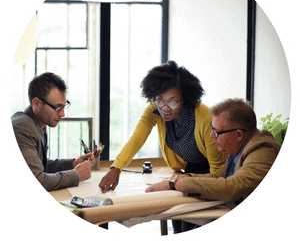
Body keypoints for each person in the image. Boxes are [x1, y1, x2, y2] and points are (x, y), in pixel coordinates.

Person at [99, 61, 227, 231]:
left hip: (212, 174)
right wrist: (116, 168)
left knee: (189, 224)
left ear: (186, 98)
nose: (165, 108)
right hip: (187, 171)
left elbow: (218, 173)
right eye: (159, 101)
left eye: (173, 102)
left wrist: (193, 183)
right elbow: (137, 139)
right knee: (177, 219)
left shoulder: (204, 116)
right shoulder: (155, 110)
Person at [145, 98, 281, 206]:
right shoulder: (240, 151)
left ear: (239, 134)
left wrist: (177, 184)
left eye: (216, 131)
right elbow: (217, 178)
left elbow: (232, 187)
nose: (211, 135)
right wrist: (177, 180)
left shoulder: (263, 149)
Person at [12, 72, 99, 192]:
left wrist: (73, 164)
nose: (62, 114)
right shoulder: (22, 126)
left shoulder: (37, 124)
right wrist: (76, 175)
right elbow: (37, 179)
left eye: (64, 106)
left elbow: (39, 164)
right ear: (36, 104)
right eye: (57, 107)